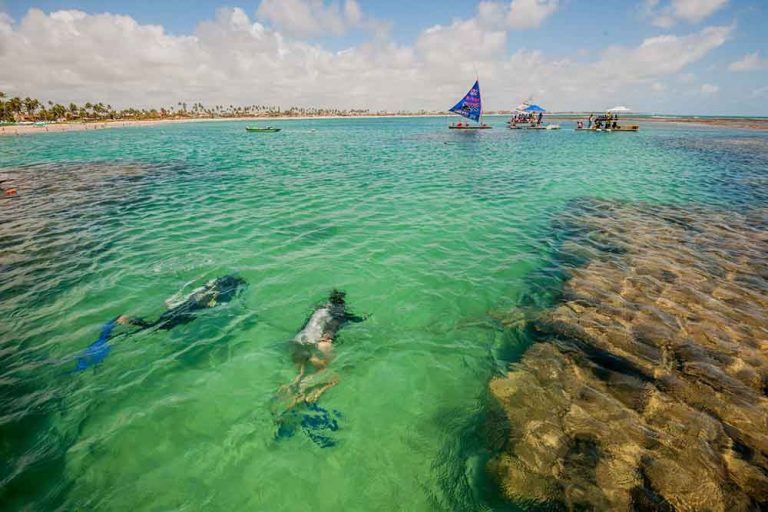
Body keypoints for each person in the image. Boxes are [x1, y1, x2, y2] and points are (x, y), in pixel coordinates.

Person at [74, 275, 246, 371]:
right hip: (177, 317)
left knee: (152, 325)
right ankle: (110, 338)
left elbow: (179, 300)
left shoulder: (200, 292)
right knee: (151, 329)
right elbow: (212, 306)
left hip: (173, 311)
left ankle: (119, 324)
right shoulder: (214, 300)